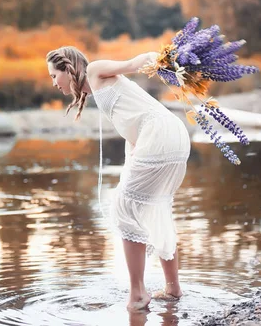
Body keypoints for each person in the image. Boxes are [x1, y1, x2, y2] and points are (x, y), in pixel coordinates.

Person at [46, 46, 191, 311]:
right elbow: (132, 121)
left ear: (68, 69)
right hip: (172, 134)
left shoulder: (95, 70)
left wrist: (160, 59)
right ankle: (173, 288)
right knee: (156, 207)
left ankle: (137, 295)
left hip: (159, 133)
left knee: (124, 210)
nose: (53, 83)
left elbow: (135, 63)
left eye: (54, 75)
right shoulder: (95, 86)